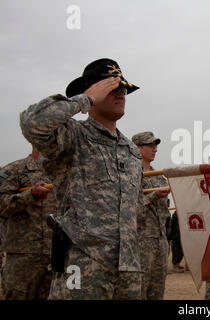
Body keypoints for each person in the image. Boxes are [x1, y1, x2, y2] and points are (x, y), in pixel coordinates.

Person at [19, 58, 143, 299]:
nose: (121, 93)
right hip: (83, 263)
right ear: (93, 90)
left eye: (123, 88)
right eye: (112, 87)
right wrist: (84, 99)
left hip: (128, 268)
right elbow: (31, 123)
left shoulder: (132, 151)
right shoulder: (73, 136)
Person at [0, 147, 56, 299]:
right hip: (23, 257)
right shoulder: (14, 170)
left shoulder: (62, 172)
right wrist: (30, 195)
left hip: (56, 257)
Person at [133, 131, 171, 300]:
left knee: (157, 291)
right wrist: (154, 195)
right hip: (140, 241)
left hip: (161, 242)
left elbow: (164, 213)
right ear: (137, 148)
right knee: (139, 290)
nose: (155, 149)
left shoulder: (159, 177)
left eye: (155, 146)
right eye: (150, 145)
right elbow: (129, 209)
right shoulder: (131, 175)